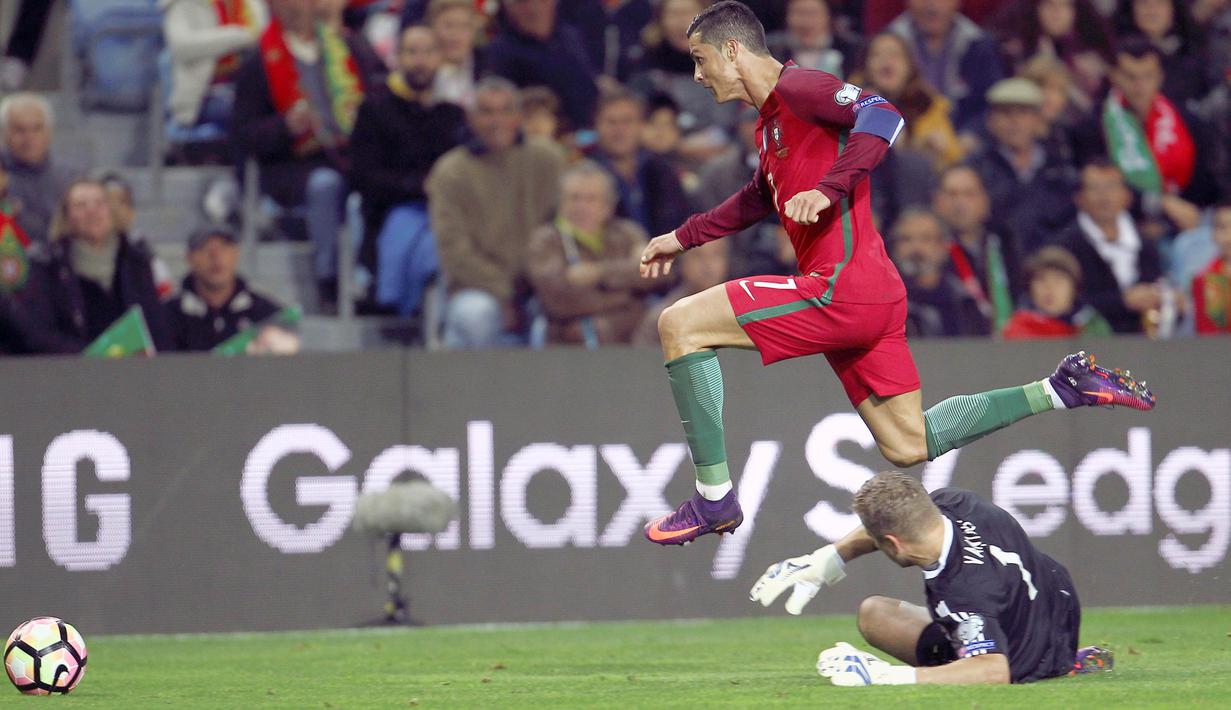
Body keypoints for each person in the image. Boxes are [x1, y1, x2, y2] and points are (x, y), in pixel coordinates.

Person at [635, 2, 1155, 547]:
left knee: (680, 324)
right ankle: (1059, 389)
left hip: (840, 287)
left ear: (732, 49)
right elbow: (759, 197)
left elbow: (883, 115)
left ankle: (713, 497)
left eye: (700, 59)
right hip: (872, 294)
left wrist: (829, 189)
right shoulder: (770, 125)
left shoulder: (801, 88)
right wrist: (684, 237)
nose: (698, 74)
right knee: (909, 442)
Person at [749, 471, 1113, 685]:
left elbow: (994, 670)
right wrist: (829, 558)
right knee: (874, 613)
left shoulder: (965, 593)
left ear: (893, 543)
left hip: (1023, 655)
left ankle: (1058, 665)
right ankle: (1062, 655)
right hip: (1054, 600)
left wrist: (886, 676)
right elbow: (888, 526)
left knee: (979, 657)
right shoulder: (953, 502)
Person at [231, 0, 384, 306]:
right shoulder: (259, 60)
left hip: (355, 155)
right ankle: (330, 279)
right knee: (325, 185)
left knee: (380, 183)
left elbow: (382, 96)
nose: (297, 5)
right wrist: (285, 126)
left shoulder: (349, 47)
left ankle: (374, 280)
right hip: (293, 164)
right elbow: (243, 134)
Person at [425, 77, 564, 349]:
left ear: (519, 116)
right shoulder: (450, 172)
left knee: (563, 314)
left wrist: (542, 281)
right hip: (475, 288)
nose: (496, 121)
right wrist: (504, 294)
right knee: (477, 315)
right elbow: (454, 252)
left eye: (505, 110)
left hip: (539, 284)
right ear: (470, 119)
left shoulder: (549, 159)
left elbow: (564, 228)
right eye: (486, 112)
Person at [351, 24, 467, 318]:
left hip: (446, 212)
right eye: (412, 52)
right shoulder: (374, 111)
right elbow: (364, 176)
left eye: (428, 52)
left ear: (440, 58)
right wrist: (418, 185)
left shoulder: (453, 115)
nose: (420, 61)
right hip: (388, 212)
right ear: (398, 58)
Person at [20, 180, 172, 353]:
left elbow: (156, 325)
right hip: (71, 366)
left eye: (99, 203)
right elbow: (41, 333)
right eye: (80, 205)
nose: (91, 211)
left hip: (134, 365)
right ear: (66, 216)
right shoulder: (47, 265)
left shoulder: (137, 262)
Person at [525, 161, 662, 345]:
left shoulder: (628, 233)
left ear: (608, 206)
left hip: (634, 334)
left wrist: (598, 273)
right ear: (560, 203)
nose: (581, 206)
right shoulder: (545, 241)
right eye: (574, 198)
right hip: (572, 341)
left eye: (591, 199)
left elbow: (659, 273)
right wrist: (630, 296)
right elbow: (557, 300)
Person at [1049, 160, 1173, 334]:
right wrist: (1122, 302)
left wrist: (1167, 299)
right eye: (1095, 188)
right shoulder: (1063, 248)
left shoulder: (1146, 243)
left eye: (1112, 186)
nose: (1104, 196)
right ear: (1079, 198)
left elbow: (1157, 287)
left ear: (1127, 196)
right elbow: (1061, 304)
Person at [964, 77, 1076, 252]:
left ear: (1038, 119)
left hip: (1049, 259)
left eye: (1023, 113)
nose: (1014, 121)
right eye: (1005, 113)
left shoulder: (1059, 169)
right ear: (990, 120)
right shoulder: (974, 169)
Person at [848, 32, 963, 171]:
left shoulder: (928, 104)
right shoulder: (850, 103)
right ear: (865, 66)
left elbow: (954, 159)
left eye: (894, 55)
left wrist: (938, 153)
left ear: (909, 66)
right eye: (877, 55)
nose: (886, 61)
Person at [886, 0, 1006, 133]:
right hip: (901, 134)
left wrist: (971, 135)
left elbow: (991, 102)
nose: (932, 6)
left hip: (964, 136)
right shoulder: (885, 43)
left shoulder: (979, 45)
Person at [589, 89, 691, 241]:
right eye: (611, 122)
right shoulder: (585, 176)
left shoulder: (662, 171)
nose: (619, 130)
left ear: (641, 126)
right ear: (596, 125)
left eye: (627, 122)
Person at [484, 0, 599, 131]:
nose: (534, 8)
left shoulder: (571, 37)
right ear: (509, 8)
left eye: (541, 1)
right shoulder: (501, 51)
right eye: (524, 2)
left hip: (589, 131)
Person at [932, 165, 1022, 330]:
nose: (960, 203)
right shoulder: (930, 249)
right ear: (938, 201)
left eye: (969, 194)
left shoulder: (1006, 245)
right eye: (952, 194)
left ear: (985, 201)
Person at [167, 226, 284, 351]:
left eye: (224, 247)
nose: (215, 256)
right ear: (189, 258)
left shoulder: (267, 314)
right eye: (205, 248)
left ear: (236, 254)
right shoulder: (167, 317)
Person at [161, 0, 269, 131]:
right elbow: (181, 47)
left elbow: (263, 34)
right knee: (253, 113)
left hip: (247, 85)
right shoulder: (182, 3)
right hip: (204, 95)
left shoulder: (249, 3)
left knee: (277, 107)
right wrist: (236, 36)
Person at [889, 208, 988, 337]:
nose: (916, 248)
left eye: (926, 239)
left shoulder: (963, 300)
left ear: (943, 247)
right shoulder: (885, 302)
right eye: (906, 239)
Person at [0, 93, 82, 244]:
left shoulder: (72, 179)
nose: (29, 137)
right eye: (19, 130)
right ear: (4, 133)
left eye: (37, 128)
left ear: (49, 132)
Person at [1001, 246, 1112, 339]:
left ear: (1074, 287)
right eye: (1041, 279)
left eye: (1058, 280)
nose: (1049, 288)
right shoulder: (1017, 330)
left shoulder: (1093, 325)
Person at [765, 0, 861, 78]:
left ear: (828, 17)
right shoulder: (771, 50)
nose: (806, 22)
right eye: (800, 13)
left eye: (813, 13)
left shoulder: (851, 50)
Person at [427, 0, 485, 111]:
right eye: (449, 26)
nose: (455, 34)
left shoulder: (488, 67)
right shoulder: (420, 72)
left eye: (464, 26)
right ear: (432, 28)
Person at [1191, 202, 1231, 334]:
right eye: (1223, 227)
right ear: (1213, 234)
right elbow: (1206, 332)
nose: (1229, 236)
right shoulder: (1203, 280)